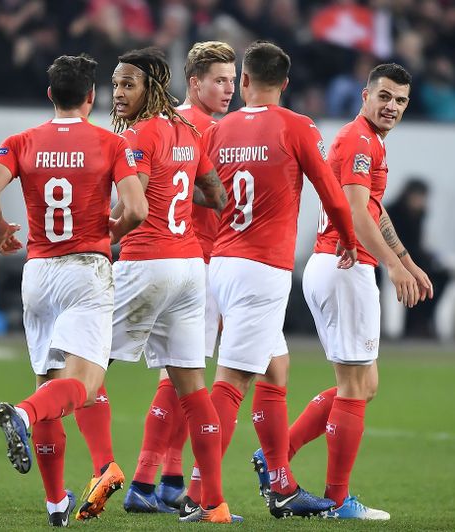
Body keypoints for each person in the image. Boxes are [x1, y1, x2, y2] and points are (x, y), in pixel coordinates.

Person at [0, 54, 148, 527]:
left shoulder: (21, 142)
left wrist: (0, 229)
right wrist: (111, 230)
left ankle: (55, 505)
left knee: (49, 380)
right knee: (85, 386)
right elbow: (137, 208)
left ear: (50, 95)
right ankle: (24, 417)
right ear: (93, 96)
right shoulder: (110, 143)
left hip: (38, 271)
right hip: (85, 270)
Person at [196, 40, 360, 519]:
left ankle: (281, 483)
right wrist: (347, 237)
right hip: (262, 268)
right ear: (284, 85)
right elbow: (330, 189)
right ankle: (204, 497)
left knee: (275, 369)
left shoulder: (218, 128)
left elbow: (205, 193)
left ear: (244, 81)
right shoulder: (297, 125)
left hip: (222, 263)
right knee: (230, 382)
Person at [268, 63, 432, 521]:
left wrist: (407, 259)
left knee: (364, 384)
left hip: (338, 265)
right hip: (345, 266)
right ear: (365, 95)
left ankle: (276, 458)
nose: (392, 106)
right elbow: (358, 215)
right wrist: (394, 267)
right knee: (355, 387)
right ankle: (336, 501)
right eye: (384, 97)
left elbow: (374, 212)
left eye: (400, 100)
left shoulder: (367, 141)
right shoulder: (360, 141)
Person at [91, 46, 237, 524]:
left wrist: (105, 233)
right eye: (115, 84)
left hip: (147, 263)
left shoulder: (137, 135)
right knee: (194, 391)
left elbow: (133, 207)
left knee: (84, 361)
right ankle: (212, 503)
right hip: (191, 267)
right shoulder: (189, 131)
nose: (118, 94)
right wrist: (177, 183)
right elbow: (216, 195)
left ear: (152, 86)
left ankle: (76, 452)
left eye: (128, 84)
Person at [384, 178, 450, 338]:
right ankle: (413, 325)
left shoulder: (420, 215)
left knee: (440, 276)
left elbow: (418, 242)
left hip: (415, 258)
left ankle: (423, 319)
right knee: (415, 280)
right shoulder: (392, 212)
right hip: (396, 258)